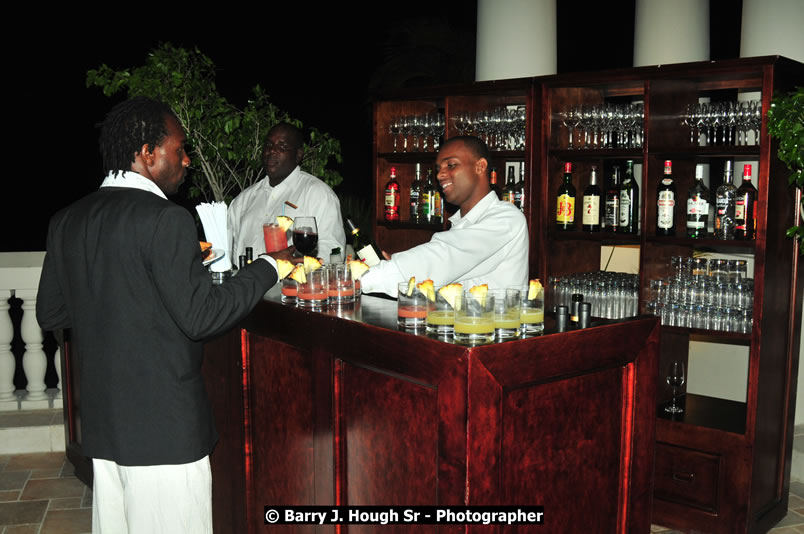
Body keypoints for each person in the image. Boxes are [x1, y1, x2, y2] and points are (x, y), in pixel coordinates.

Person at [36, 97, 294, 534]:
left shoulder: (67, 219)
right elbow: (202, 317)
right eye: (180, 148)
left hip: (104, 428)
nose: (187, 160)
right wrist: (270, 266)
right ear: (147, 153)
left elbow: (52, 311)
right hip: (165, 433)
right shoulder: (166, 221)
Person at [360, 136, 529, 296]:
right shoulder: (460, 224)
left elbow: (443, 257)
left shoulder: (507, 219)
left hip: (493, 326)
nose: (440, 175)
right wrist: (396, 267)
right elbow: (440, 275)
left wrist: (366, 278)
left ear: (480, 167)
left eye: (451, 165)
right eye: (438, 169)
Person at [228, 122, 346, 261]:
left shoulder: (317, 194)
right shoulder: (243, 200)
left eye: (282, 146)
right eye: (269, 145)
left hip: (294, 281)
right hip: (245, 282)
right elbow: (230, 253)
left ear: (298, 155)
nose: (272, 151)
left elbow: (333, 253)